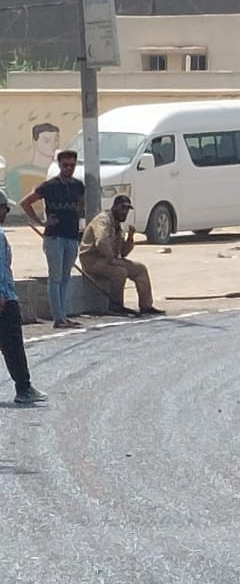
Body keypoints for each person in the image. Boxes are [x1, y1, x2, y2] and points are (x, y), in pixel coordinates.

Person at [19, 149, 85, 329]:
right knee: (55, 277)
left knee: (65, 277)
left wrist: (77, 219)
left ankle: (63, 314)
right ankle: (58, 317)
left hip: (71, 236)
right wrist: (42, 222)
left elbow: (80, 203)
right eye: (65, 165)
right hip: (54, 237)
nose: (69, 168)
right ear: (59, 165)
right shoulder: (49, 186)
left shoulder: (78, 186)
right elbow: (25, 202)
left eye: (72, 165)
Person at [79, 194, 163, 317]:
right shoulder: (103, 220)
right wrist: (111, 259)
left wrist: (130, 238)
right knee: (119, 271)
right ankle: (116, 305)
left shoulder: (118, 226)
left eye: (127, 209)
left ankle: (146, 305)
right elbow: (101, 242)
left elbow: (123, 252)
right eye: (122, 208)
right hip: (92, 261)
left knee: (140, 269)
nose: (125, 212)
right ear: (115, 207)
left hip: (109, 259)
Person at [0, 195, 47, 405]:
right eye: (4, 209)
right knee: (13, 347)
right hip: (4, 299)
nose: (6, 213)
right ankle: (24, 388)